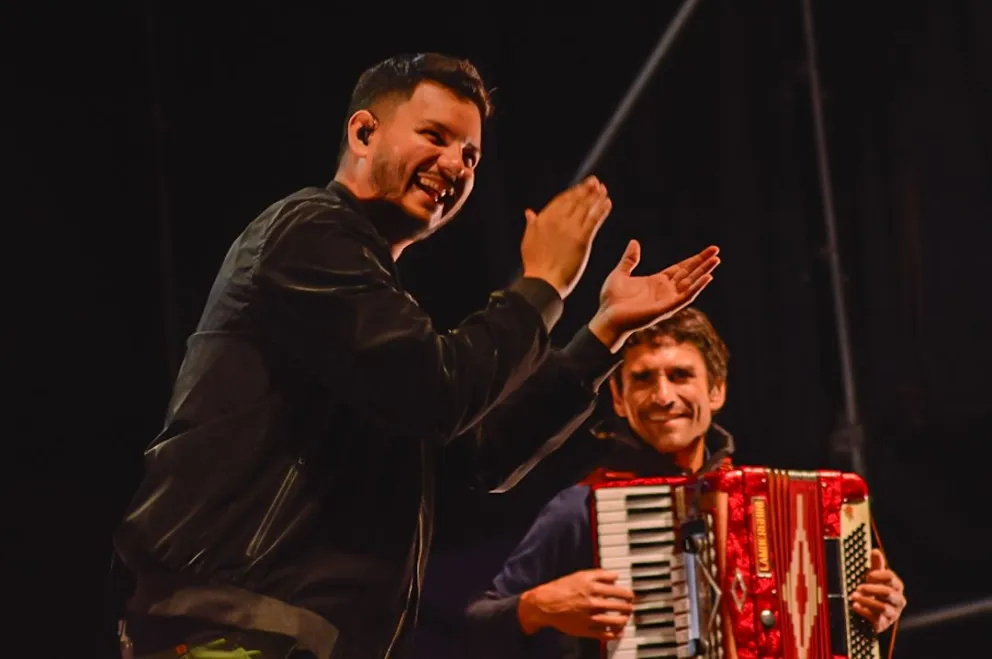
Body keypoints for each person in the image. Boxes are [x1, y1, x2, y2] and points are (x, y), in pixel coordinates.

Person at [111, 53, 721, 659]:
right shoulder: (308, 232)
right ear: (363, 132)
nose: (455, 163)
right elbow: (441, 392)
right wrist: (542, 286)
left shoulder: (374, 301)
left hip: (300, 633)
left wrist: (604, 332)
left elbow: (479, 454)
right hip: (237, 624)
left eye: (472, 155)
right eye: (436, 136)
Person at [463, 307, 907, 658]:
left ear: (716, 391)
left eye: (680, 375)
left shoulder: (783, 507)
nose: (662, 396)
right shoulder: (581, 508)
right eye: (642, 379)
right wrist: (536, 606)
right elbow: (474, 628)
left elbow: (838, 628)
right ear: (617, 398)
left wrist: (876, 610)